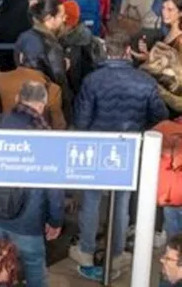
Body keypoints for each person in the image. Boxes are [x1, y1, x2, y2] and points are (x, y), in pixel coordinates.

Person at [68, 32, 168, 279]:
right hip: (130, 149)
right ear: (126, 52)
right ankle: (117, 252)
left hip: (96, 147)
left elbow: (80, 120)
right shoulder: (145, 81)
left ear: (105, 52)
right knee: (122, 202)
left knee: (91, 200)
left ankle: (87, 250)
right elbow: (159, 116)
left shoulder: (92, 80)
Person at [0, 81, 64, 287]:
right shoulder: (47, 136)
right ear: (43, 104)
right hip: (27, 220)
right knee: (34, 268)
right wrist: (55, 220)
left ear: (16, 99)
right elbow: (53, 186)